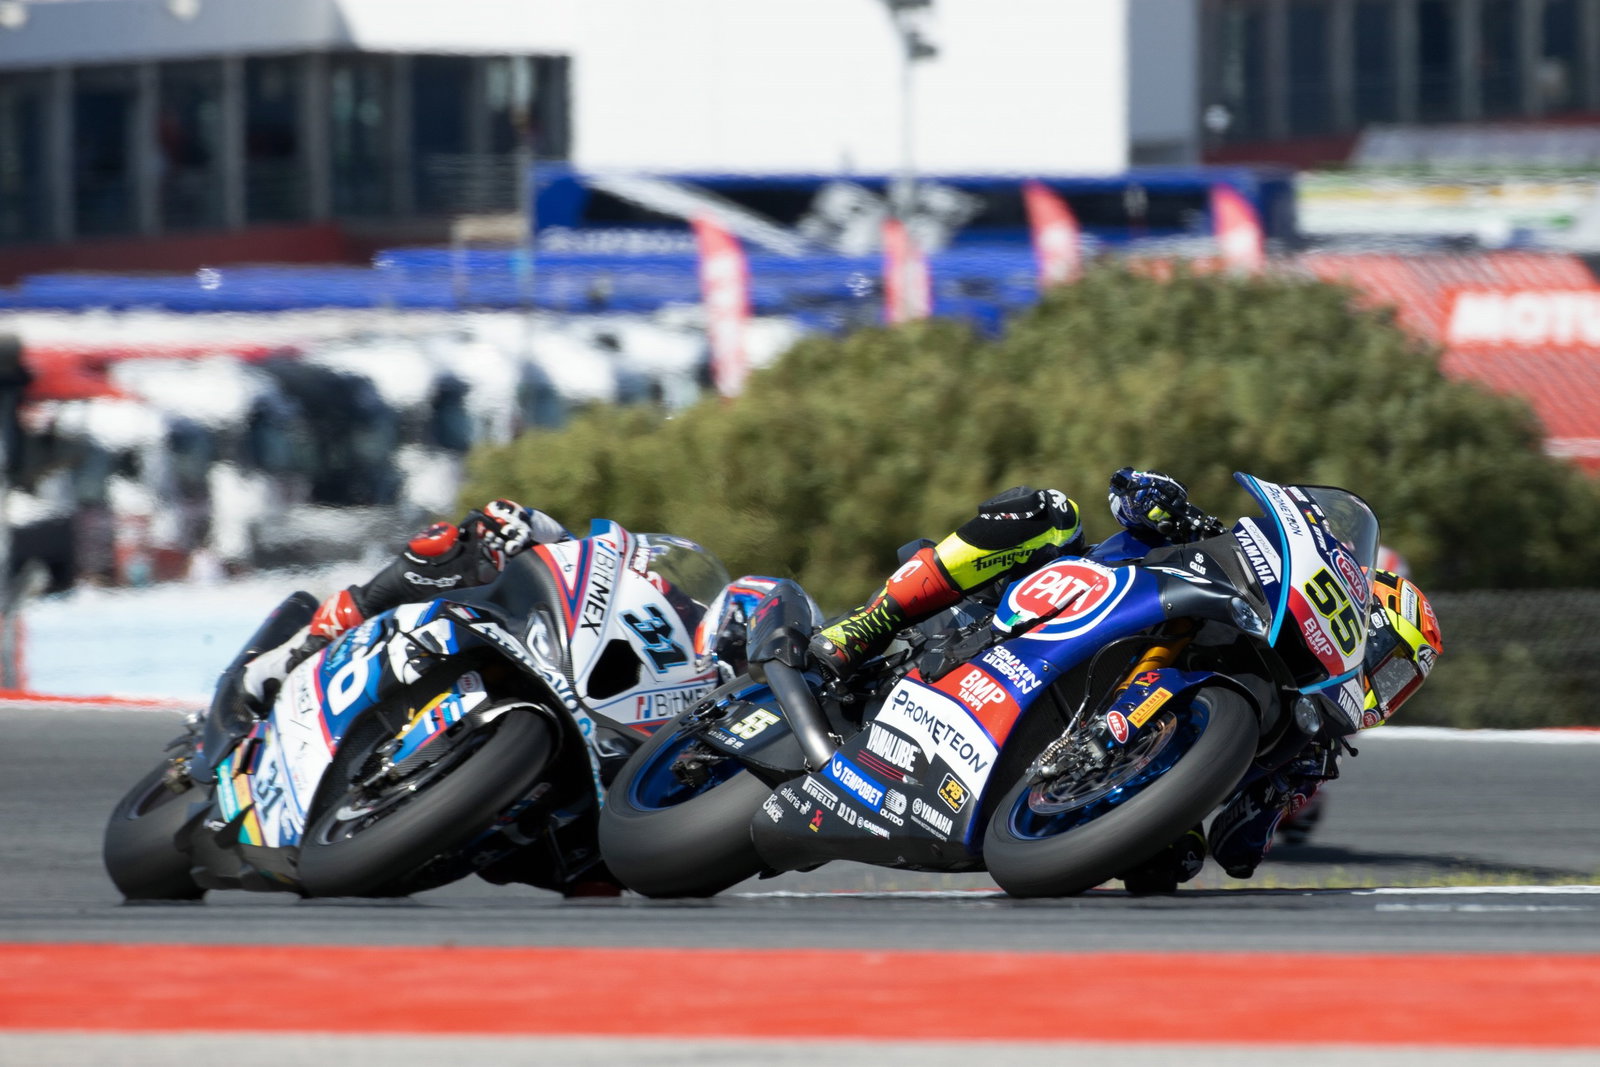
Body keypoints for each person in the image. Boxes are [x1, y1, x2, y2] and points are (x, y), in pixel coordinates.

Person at [808, 468, 1443, 892]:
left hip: (1105, 795)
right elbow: (1130, 496)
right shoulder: (1237, 564)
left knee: (1174, 863)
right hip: (1051, 607)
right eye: (1384, 657)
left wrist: (1283, 793)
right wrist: (1160, 504)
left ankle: (1063, 791)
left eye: (1396, 685)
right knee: (1046, 511)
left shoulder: (1306, 739)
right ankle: (867, 625)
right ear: (1357, 611)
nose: (1379, 688)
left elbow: (1239, 852)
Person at [240, 498, 570, 710]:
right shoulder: (453, 555)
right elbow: (531, 524)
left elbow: (568, 552)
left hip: (494, 646)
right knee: (421, 558)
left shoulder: (550, 570)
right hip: (424, 626)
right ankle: (281, 663)